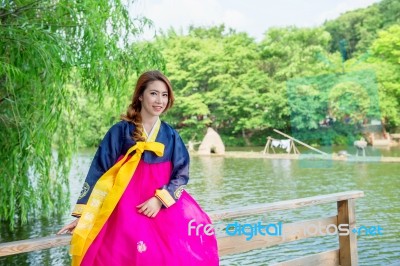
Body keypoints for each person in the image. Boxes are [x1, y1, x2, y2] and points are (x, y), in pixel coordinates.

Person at [57, 70, 219, 265]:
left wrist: (159, 200)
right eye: (153, 93)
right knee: (112, 255)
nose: (160, 100)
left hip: (158, 205)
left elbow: (182, 174)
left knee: (187, 244)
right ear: (140, 96)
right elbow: (98, 171)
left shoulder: (171, 136)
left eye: (164, 95)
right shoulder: (120, 131)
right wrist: (84, 215)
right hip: (123, 208)